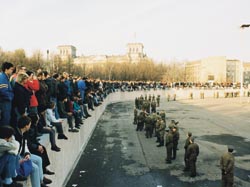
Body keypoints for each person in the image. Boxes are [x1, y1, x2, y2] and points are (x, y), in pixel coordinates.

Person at [14, 116, 52, 187]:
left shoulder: (24, 133)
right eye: (29, 124)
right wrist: (21, 158)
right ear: (26, 126)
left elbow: (25, 146)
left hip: (23, 154)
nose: (30, 126)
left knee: (39, 159)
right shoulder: (16, 135)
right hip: (18, 157)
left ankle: (41, 182)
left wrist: (27, 153)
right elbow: (15, 151)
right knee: (35, 168)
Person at [0, 62, 14, 126]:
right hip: (5, 102)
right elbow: (3, 91)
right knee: (5, 119)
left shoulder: (6, 77)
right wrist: (11, 97)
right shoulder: (3, 77)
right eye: (11, 69)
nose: (12, 71)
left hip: (6, 102)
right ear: (6, 69)